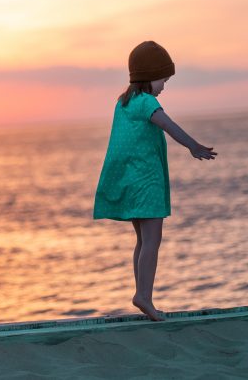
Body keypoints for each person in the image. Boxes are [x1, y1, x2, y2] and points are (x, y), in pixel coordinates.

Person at [93, 41, 217, 321]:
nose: (164, 86)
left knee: (142, 240)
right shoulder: (148, 102)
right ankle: (144, 297)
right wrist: (193, 146)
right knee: (152, 240)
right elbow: (168, 125)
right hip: (146, 182)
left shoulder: (124, 102)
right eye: (163, 79)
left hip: (129, 180)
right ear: (149, 76)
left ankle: (142, 294)